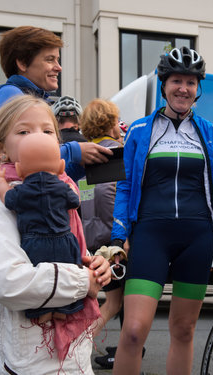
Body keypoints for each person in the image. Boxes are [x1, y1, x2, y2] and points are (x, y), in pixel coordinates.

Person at [110, 47, 213, 375]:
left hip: (196, 237)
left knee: (183, 330)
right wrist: (118, 236)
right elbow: (124, 186)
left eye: (191, 82)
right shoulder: (139, 131)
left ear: (198, 89)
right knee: (134, 330)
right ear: (164, 85)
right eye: (177, 81)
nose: (183, 88)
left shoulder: (210, 134)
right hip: (150, 234)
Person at [0, 95, 112, 374]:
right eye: (24, 131)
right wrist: (84, 281)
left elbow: (72, 249)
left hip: (73, 357)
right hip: (29, 359)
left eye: (48, 131)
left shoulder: (63, 188)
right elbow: (7, 282)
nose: (38, 138)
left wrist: (95, 265)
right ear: (1, 150)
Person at [0, 25, 112, 181]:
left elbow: (42, 175)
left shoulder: (25, 97)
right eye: (50, 59)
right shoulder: (11, 94)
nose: (59, 67)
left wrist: (82, 163)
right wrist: (73, 151)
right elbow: (21, 156)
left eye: (58, 60)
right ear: (22, 63)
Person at [0, 132, 88, 326]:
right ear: (61, 166)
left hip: (34, 243)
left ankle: (43, 312)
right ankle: (63, 310)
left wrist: (0, 180)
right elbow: (75, 201)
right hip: (64, 240)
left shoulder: (21, 191)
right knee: (65, 273)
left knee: (42, 280)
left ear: (19, 169)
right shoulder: (62, 188)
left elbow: (7, 200)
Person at [78, 99, 130, 369]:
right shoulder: (117, 154)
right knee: (116, 303)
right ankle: (79, 346)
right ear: (111, 123)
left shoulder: (85, 160)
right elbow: (117, 199)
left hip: (89, 243)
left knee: (105, 302)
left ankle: (79, 345)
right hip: (115, 243)